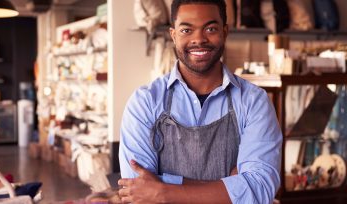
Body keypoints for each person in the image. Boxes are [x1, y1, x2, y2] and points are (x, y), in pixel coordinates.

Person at [118, 0, 282, 203]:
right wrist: (234, 186)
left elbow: (260, 188)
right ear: (173, 35)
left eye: (210, 29)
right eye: (187, 30)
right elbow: (136, 191)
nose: (199, 39)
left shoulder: (254, 101)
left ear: (224, 32)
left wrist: (163, 191)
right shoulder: (144, 102)